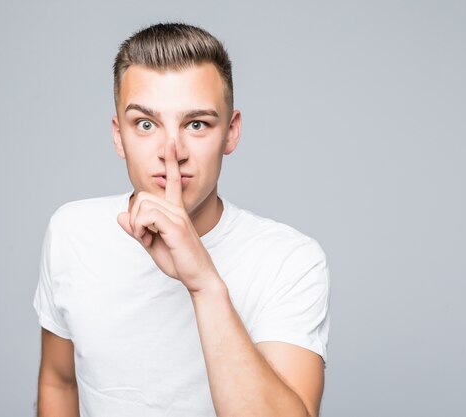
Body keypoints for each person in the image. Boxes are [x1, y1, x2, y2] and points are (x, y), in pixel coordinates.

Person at [33, 22, 330, 417]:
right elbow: (59, 381)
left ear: (231, 132)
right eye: (145, 124)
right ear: (119, 135)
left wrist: (204, 284)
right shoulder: (72, 231)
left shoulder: (291, 260)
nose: (171, 151)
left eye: (196, 124)